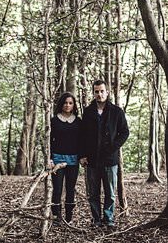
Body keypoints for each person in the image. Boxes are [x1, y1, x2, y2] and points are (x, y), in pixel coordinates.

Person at [79, 80, 129, 228]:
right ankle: (96, 220)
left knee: (110, 193)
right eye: (96, 91)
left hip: (110, 159)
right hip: (92, 159)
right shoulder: (88, 112)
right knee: (93, 193)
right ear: (93, 93)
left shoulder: (116, 112)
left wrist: (113, 147)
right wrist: (82, 155)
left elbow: (125, 132)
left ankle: (108, 220)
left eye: (102, 91)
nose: (99, 94)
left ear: (107, 92)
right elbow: (82, 135)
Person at [49, 92, 82, 223]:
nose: (67, 105)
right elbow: (49, 141)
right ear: (61, 104)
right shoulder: (54, 120)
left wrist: (82, 156)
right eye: (65, 102)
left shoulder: (78, 121)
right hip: (57, 159)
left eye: (70, 103)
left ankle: (68, 217)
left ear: (74, 105)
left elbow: (82, 141)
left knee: (70, 189)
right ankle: (56, 216)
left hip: (73, 159)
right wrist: (50, 158)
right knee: (57, 189)